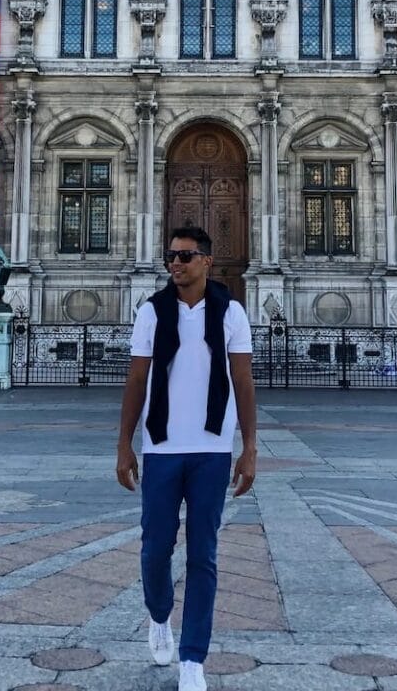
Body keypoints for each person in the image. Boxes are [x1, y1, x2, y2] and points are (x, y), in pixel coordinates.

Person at [116, 226, 256, 691]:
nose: (175, 264)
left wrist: (249, 447)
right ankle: (159, 617)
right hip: (161, 447)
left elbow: (243, 381)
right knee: (155, 550)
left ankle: (194, 657)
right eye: (170, 257)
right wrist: (124, 445)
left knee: (204, 555)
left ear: (206, 262)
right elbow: (137, 382)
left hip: (213, 448)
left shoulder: (231, 312)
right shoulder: (151, 313)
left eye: (185, 256)